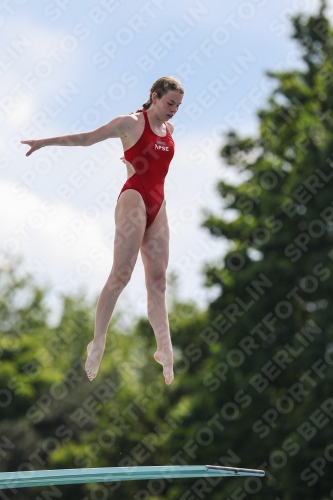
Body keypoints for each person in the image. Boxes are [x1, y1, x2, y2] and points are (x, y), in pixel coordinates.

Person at [21, 76, 184, 385]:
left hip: (158, 204)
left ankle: (165, 348)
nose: (174, 109)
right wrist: (44, 142)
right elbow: (87, 138)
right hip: (134, 196)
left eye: (178, 105)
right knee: (122, 274)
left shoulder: (170, 131)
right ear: (154, 96)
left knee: (159, 280)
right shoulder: (130, 123)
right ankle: (98, 342)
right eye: (169, 102)